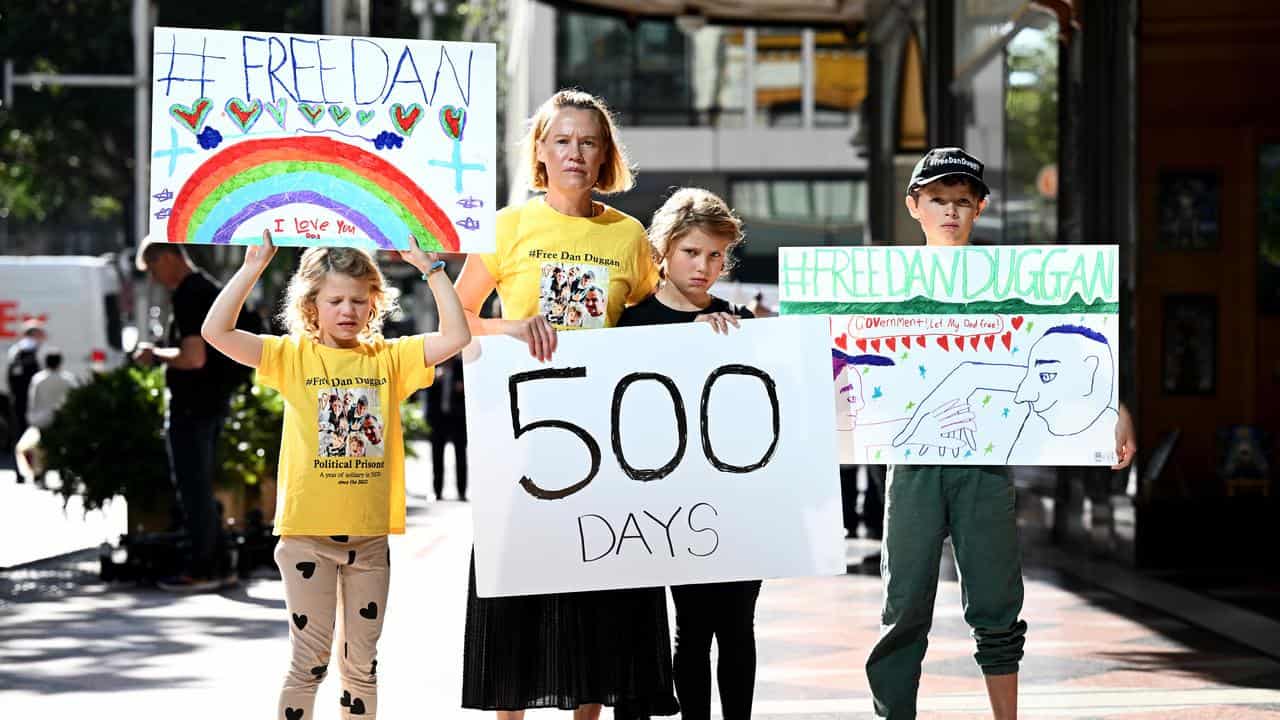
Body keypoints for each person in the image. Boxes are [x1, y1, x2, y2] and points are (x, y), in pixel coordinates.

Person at [864, 147, 1138, 719]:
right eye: (938, 200)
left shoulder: (1011, 278)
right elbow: (834, 344)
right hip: (910, 464)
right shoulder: (879, 281)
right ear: (914, 205)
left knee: (995, 601)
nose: (951, 212)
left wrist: (1113, 405)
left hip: (987, 460)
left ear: (981, 207)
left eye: (963, 201)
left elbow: (1065, 347)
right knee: (903, 606)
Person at [453, 88, 677, 720]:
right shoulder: (506, 226)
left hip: (604, 445)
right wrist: (512, 330)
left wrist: (725, 323)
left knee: (594, 601)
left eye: (589, 141)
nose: (576, 152)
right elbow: (461, 321)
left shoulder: (630, 236)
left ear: (605, 154)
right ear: (541, 152)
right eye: (563, 140)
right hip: (522, 437)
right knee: (515, 596)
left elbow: (658, 323)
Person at [202, 230, 470, 720]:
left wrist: (430, 268)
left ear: (374, 304)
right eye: (335, 300)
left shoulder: (390, 360)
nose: (348, 310)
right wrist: (251, 269)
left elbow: (456, 337)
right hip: (306, 537)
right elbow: (216, 332)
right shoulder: (291, 357)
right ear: (312, 305)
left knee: (362, 667)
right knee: (309, 665)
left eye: (358, 300)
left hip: (369, 541)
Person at [617, 187, 758, 720]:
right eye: (692, 252)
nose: (704, 266)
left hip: (737, 499)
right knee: (692, 629)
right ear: (664, 251)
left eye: (716, 255)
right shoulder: (632, 323)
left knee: (738, 627)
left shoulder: (739, 322)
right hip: (669, 505)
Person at [135, 239, 249, 591]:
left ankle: (203, 567)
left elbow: (192, 357)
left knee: (193, 487)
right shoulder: (211, 288)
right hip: (213, 401)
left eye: (154, 269)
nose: (155, 279)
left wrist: (154, 354)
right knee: (201, 484)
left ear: (169, 258)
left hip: (192, 404)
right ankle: (217, 563)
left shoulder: (188, 294)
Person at [14, 347, 79, 484]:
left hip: (42, 420)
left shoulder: (38, 379)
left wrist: (32, 418)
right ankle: (64, 475)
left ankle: (41, 474)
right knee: (62, 448)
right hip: (62, 419)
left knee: (42, 449)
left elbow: (33, 400)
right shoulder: (68, 379)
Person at [424, 353, 467, 501]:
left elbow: (473, 390)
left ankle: (461, 492)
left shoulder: (462, 367)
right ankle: (437, 491)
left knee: (460, 456)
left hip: (458, 419)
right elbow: (425, 393)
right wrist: (434, 379)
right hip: (438, 420)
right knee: (437, 456)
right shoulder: (434, 365)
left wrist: (462, 387)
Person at [6, 319, 46, 471]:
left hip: (19, 400)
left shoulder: (16, 351)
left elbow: (11, 378)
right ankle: (35, 469)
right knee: (34, 435)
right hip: (31, 401)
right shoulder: (33, 351)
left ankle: (22, 470)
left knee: (20, 434)